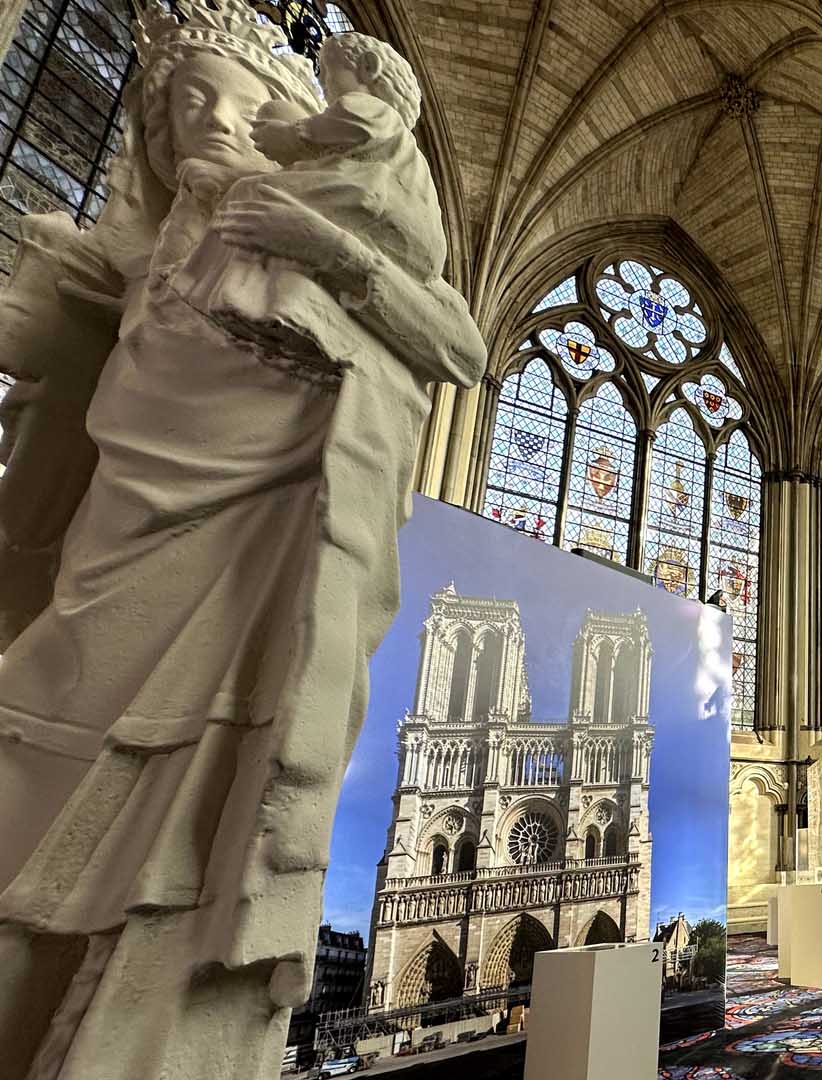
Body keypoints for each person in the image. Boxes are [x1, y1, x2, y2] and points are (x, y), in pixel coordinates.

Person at [0, 5, 484, 1078]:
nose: (213, 124)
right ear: (155, 132)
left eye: (242, 105)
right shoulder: (119, 265)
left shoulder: (301, 230)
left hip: (242, 572)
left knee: (193, 844)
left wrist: (329, 250)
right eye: (187, 104)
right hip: (110, 557)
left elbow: (460, 341)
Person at [168, 31, 442, 377]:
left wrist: (291, 134)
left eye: (326, 74)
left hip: (367, 201)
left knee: (252, 193)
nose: (324, 87)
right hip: (395, 228)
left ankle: (213, 291)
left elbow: (340, 127)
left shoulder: (372, 110)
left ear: (368, 68)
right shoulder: (404, 153)